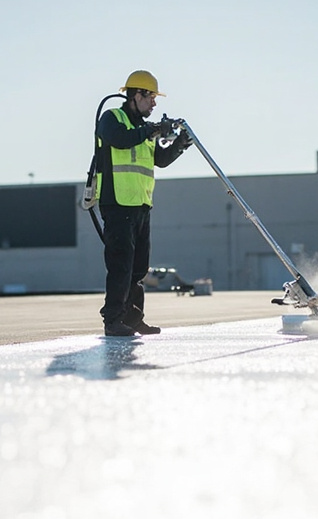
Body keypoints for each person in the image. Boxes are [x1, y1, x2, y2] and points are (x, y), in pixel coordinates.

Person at [94, 70, 193, 337]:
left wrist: (179, 145)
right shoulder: (113, 118)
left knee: (138, 268)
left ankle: (134, 318)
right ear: (136, 95)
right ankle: (112, 320)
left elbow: (158, 160)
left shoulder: (144, 131)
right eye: (151, 97)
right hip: (117, 203)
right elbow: (120, 139)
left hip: (141, 204)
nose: (154, 104)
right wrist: (152, 129)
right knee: (120, 265)